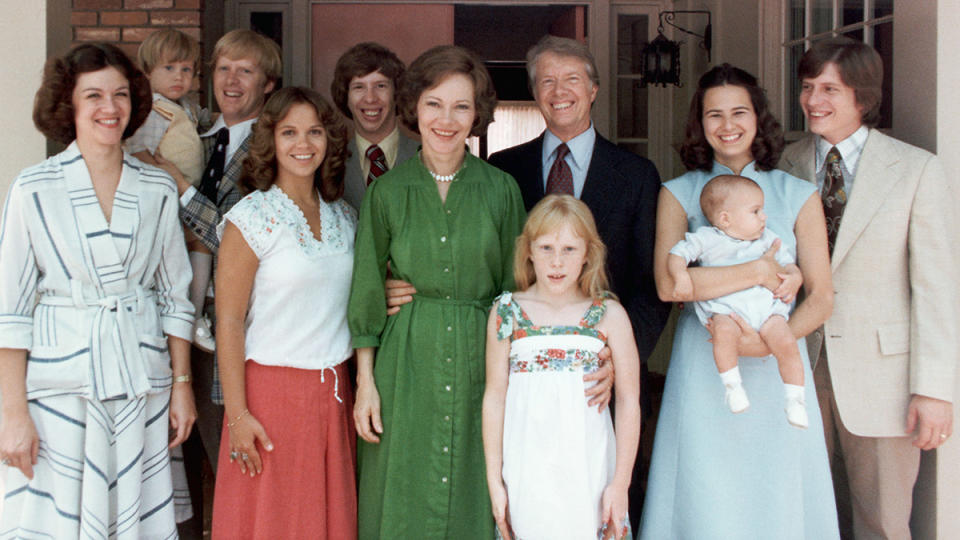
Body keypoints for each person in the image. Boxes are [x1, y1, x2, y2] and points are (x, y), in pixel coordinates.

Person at [0, 42, 196, 539]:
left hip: (139, 382)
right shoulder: (33, 187)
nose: (110, 108)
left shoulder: (155, 187)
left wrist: (182, 388)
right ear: (68, 104)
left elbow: (175, 296)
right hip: (58, 389)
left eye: (121, 95)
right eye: (94, 96)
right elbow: (11, 309)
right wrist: (12, 413)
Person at [639, 64, 839, 539]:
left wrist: (773, 342)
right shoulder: (677, 192)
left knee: (775, 488)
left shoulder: (797, 193)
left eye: (739, 112)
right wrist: (758, 272)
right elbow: (671, 287)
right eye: (714, 114)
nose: (727, 125)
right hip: (705, 362)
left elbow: (822, 295)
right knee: (705, 487)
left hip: (777, 364)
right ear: (699, 123)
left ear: (758, 117)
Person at [779, 38, 957, 539]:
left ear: (864, 96)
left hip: (884, 382)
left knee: (882, 523)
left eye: (830, 88)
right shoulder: (784, 166)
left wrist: (934, 390)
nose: (814, 100)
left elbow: (937, 291)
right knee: (805, 516)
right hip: (799, 371)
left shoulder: (916, 170)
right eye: (808, 87)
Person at [348, 45, 526, 539]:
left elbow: (516, 293)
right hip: (405, 362)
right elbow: (366, 288)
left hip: (482, 358)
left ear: (477, 115)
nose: (446, 119)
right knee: (402, 484)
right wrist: (366, 384)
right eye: (433, 104)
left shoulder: (501, 190)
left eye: (460, 106)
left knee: (476, 480)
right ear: (414, 108)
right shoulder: (387, 191)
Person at [210, 87, 357, 539]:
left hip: (333, 397)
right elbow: (229, 321)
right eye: (289, 132)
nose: (303, 143)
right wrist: (237, 415)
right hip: (270, 398)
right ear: (270, 140)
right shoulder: (250, 218)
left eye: (314, 131)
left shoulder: (345, 217)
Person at [483, 195, 640, 540]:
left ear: (588, 253)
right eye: (546, 248)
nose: (557, 262)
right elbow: (495, 396)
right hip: (527, 470)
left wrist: (621, 483)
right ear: (528, 250)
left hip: (589, 469)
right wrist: (495, 481)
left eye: (569, 249)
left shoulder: (609, 315)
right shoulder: (507, 312)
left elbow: (629, 400)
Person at [162, 29, 282, 473]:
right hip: (170, 322)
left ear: (268, 84)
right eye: (224, 69)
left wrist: (179, 185)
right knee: (172, 468)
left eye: (246, 71)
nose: (231, 80)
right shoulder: (194, 135)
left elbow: (241, 243)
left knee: (225, 460)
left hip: (226, 331)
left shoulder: (271, 149)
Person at [667, 174, 808, 428]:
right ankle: (732, 385)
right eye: (755, 211)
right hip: (726, 308)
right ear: (725, 219)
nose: (764, 216)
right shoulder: (707, 238)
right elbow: (677, 253)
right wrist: (680, 276)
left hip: (766, 310)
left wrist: (795, 276)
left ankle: (795, 398)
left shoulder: (767, 239)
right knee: (723, 334)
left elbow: (789, 264)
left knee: (787, 343)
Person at [127, 28, 215, 354]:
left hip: (187, 194)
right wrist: (162, 182)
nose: (179, 76)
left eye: (187, 69)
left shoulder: (184, 107)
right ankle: (188, 315)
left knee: (202, 245)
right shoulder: (152, 111)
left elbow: (202, 125)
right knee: (188, 249)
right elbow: (138, 152)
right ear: (148, 71)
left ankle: (195, 311)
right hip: (167, 197)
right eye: (169, 68)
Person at [331, 42, 419, 211]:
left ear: (397, 93)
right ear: (346, 97)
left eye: (381, 86)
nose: (370, 98)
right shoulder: (330, 163)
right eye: (359, 87)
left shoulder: (425, 158)